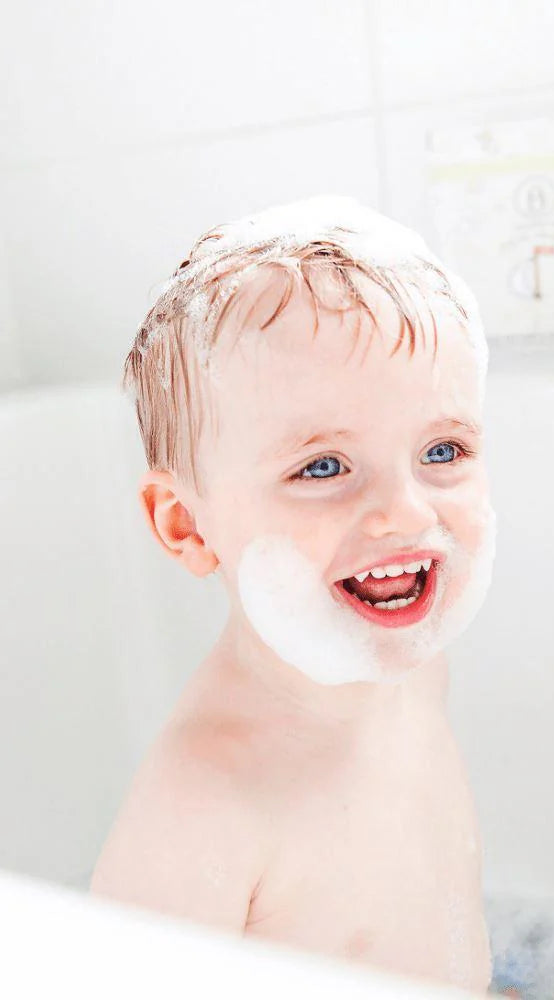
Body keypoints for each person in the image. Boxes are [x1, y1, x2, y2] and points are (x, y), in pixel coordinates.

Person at [89, 195, 498, 995]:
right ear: (187, 527)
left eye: (442, 450)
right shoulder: (204, 801)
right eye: (323, 467)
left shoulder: (413, 666)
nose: (408, 512)